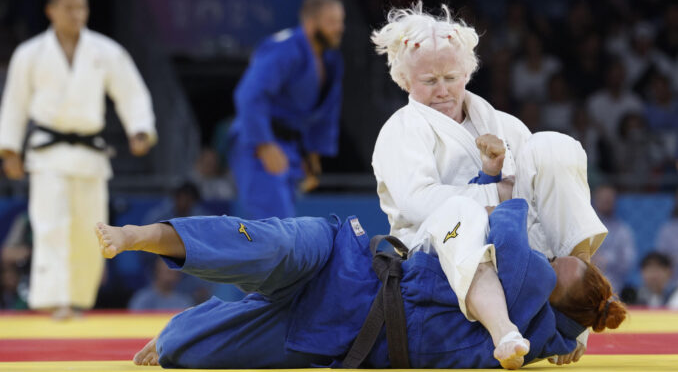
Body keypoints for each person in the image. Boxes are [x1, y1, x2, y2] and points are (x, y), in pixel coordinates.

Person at [94, 196, 626, 369]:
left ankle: (179, 324)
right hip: (345, 286)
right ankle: (145, 236)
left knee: (199, 341)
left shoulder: (521, 272)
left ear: (552, 293)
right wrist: (570, 340)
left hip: (340, 311)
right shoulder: (523, 340)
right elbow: (565, 324)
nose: (550, 257)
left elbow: (511, 217)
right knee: (268, 250)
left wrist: (508, 198)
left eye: (558, 265)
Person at [371, 2, 607, 364]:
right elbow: (416, 203)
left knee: (554, 146)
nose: (442, 91)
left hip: (512, 240)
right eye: (428, 81)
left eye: (451, 78)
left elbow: (545, 196)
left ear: (468, 72)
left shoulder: (505, 124)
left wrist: (507, 195)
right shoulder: (401, 130)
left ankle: (574, 309)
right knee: (461, 211)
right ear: (404, 80)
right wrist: (496, 191)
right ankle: (503, 332)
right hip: (438, 245)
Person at [0, 0, 156, 319]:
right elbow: (14, 103)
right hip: (48, 154)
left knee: (91, 227)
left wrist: (139, 128)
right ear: (50, 11)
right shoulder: (30, 54)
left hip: (90, 154)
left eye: (81, 7)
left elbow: (131, 91)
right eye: (68, 7)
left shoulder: (105, 51)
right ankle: (53, 299)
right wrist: (9, 149)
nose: (76, 14)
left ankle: (80, 298)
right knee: (50, 224)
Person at [228, 0, 344, 219]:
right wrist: (264, 145)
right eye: (331, 22)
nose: (339, 28)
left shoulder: (331, 61)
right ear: (311, 24)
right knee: (271, 227)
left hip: (290, 146)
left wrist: (313, 154)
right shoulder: (284, 48)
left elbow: (327, 113)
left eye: (341, 21)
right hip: (259, 142)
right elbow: (249, 94)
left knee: (285, 228)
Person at [128, 258, 193, 311]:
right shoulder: (142, 299)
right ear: (157, 272)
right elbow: (135, 323)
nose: (172, 277)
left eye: (176, 273)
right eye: (168, 272)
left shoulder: (185, 301)